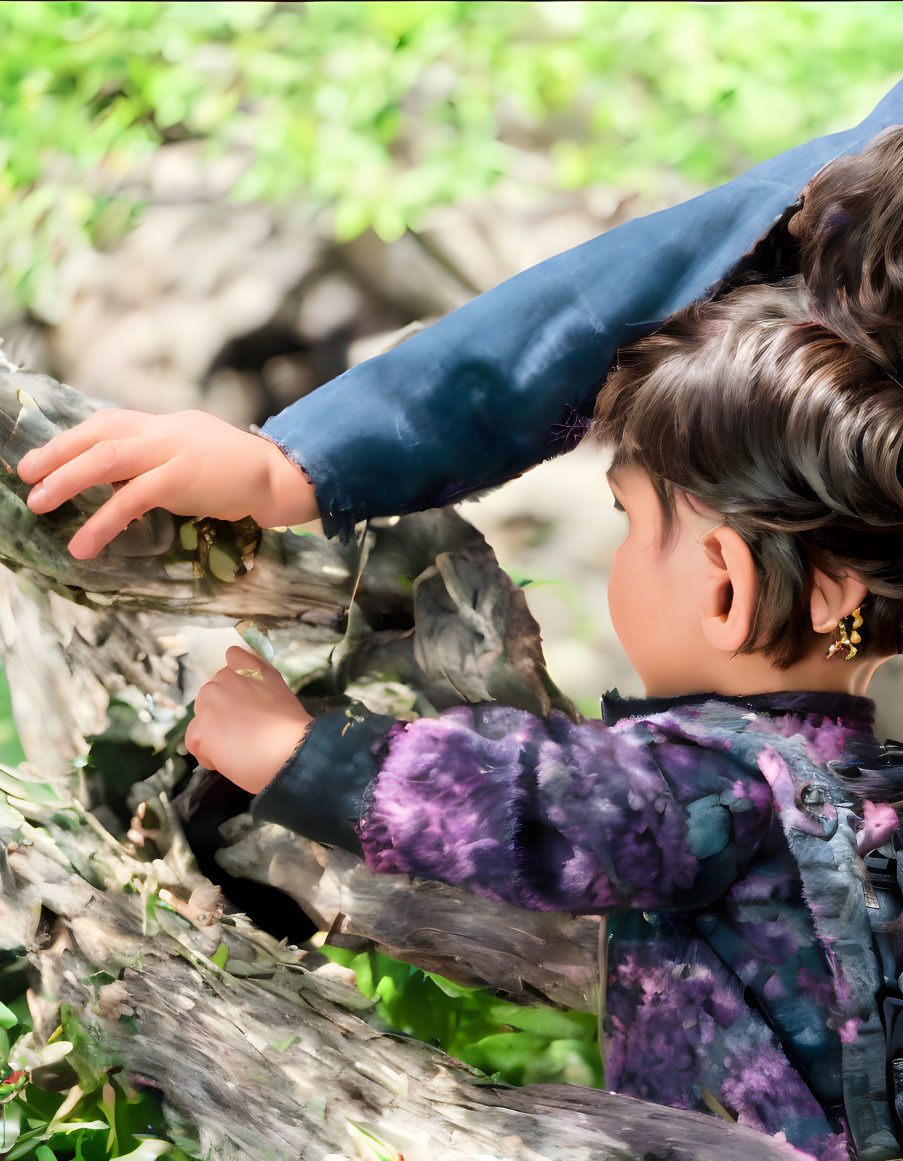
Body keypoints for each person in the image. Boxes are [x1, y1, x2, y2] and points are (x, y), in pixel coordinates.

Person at [15, 87, 903, 1160]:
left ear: (721, 585)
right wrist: (309, 456)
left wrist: (294, 752)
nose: (622, 548)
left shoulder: (714, 780)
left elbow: (538, 806)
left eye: (631, 522)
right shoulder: (870, 790)